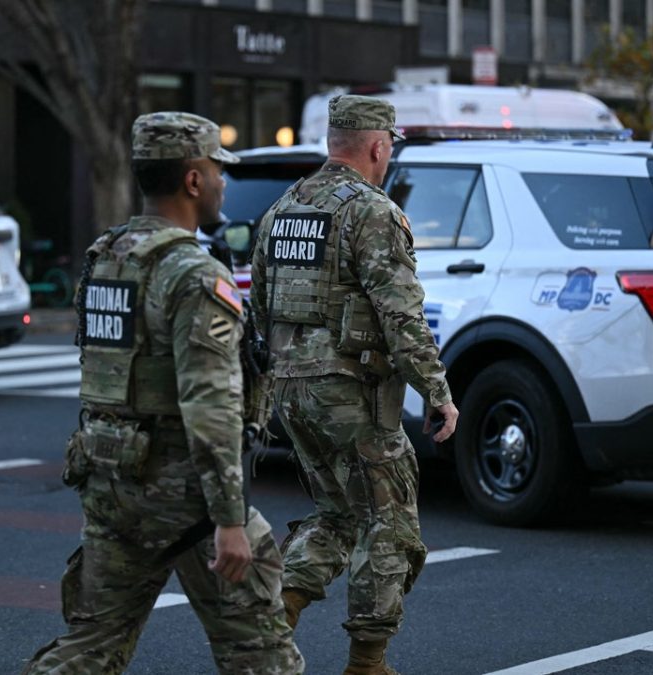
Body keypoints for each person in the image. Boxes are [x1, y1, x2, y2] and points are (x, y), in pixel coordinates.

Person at [25, 112, 303, 675]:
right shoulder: (193, 275)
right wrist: (230, 519)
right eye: (217, 171)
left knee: (93, 645)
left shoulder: (105, 258)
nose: (224, 183)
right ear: (194, 180)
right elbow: (211, 404)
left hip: (111, 479)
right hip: (186, 497)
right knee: (262, 655)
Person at [250, 95, 459, 675]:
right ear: (378, 145)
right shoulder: (372, 211)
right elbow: (401, 315)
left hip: (291, 391)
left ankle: (273, 621)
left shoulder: (283, 209)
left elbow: (259, 309)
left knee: (339, 516)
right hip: (349, 392)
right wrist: (437, 393)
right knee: (389, 525)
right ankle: (367, 663)